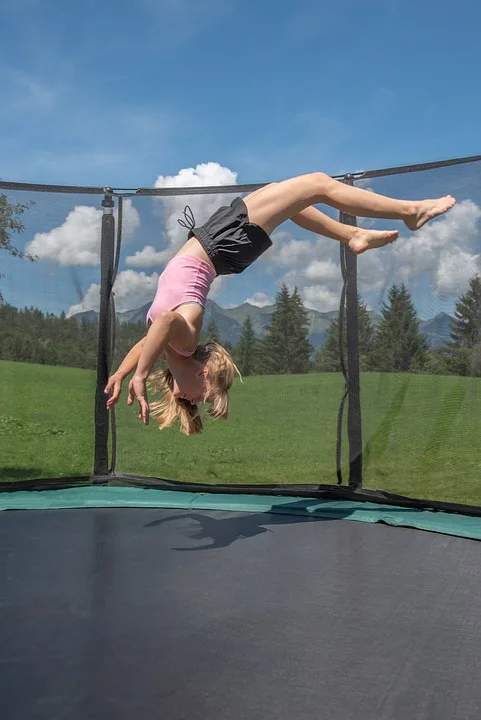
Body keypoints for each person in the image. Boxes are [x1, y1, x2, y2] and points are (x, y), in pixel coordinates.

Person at [105, 171, 455, 434]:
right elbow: (164, 321)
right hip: (223, 245)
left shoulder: (171, 347)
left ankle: (353, 234)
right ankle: (410, 212)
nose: (198, 401)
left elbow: (150, 335)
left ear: (204, 372)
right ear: (205, 371)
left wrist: (125, 373)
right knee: (317, 184)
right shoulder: (186, 342)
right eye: (209, 398)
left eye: (204, 399)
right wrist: (140, 373)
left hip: (221, 245)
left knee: (284, 195)